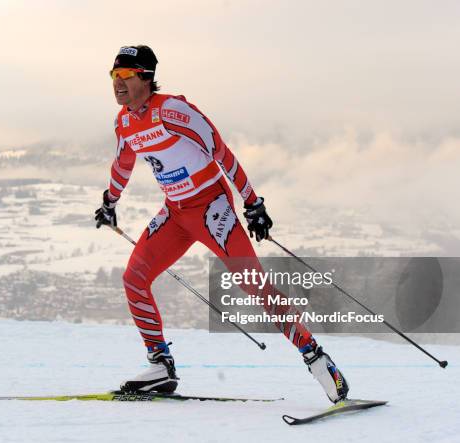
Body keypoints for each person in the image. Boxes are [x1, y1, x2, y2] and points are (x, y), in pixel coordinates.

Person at [95, 45, 349, 403]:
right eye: (113, 76)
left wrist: (252, 203)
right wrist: (110, 201)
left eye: (125, 75)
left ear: (146, 78)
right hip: (175, 213)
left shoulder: (173, 111)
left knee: (254, 286)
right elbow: (123, 163)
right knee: (134, 278)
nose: (117, 84)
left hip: (211, 208)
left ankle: (317, 358)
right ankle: (160, 367)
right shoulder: (124, 122)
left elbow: (221, 152)